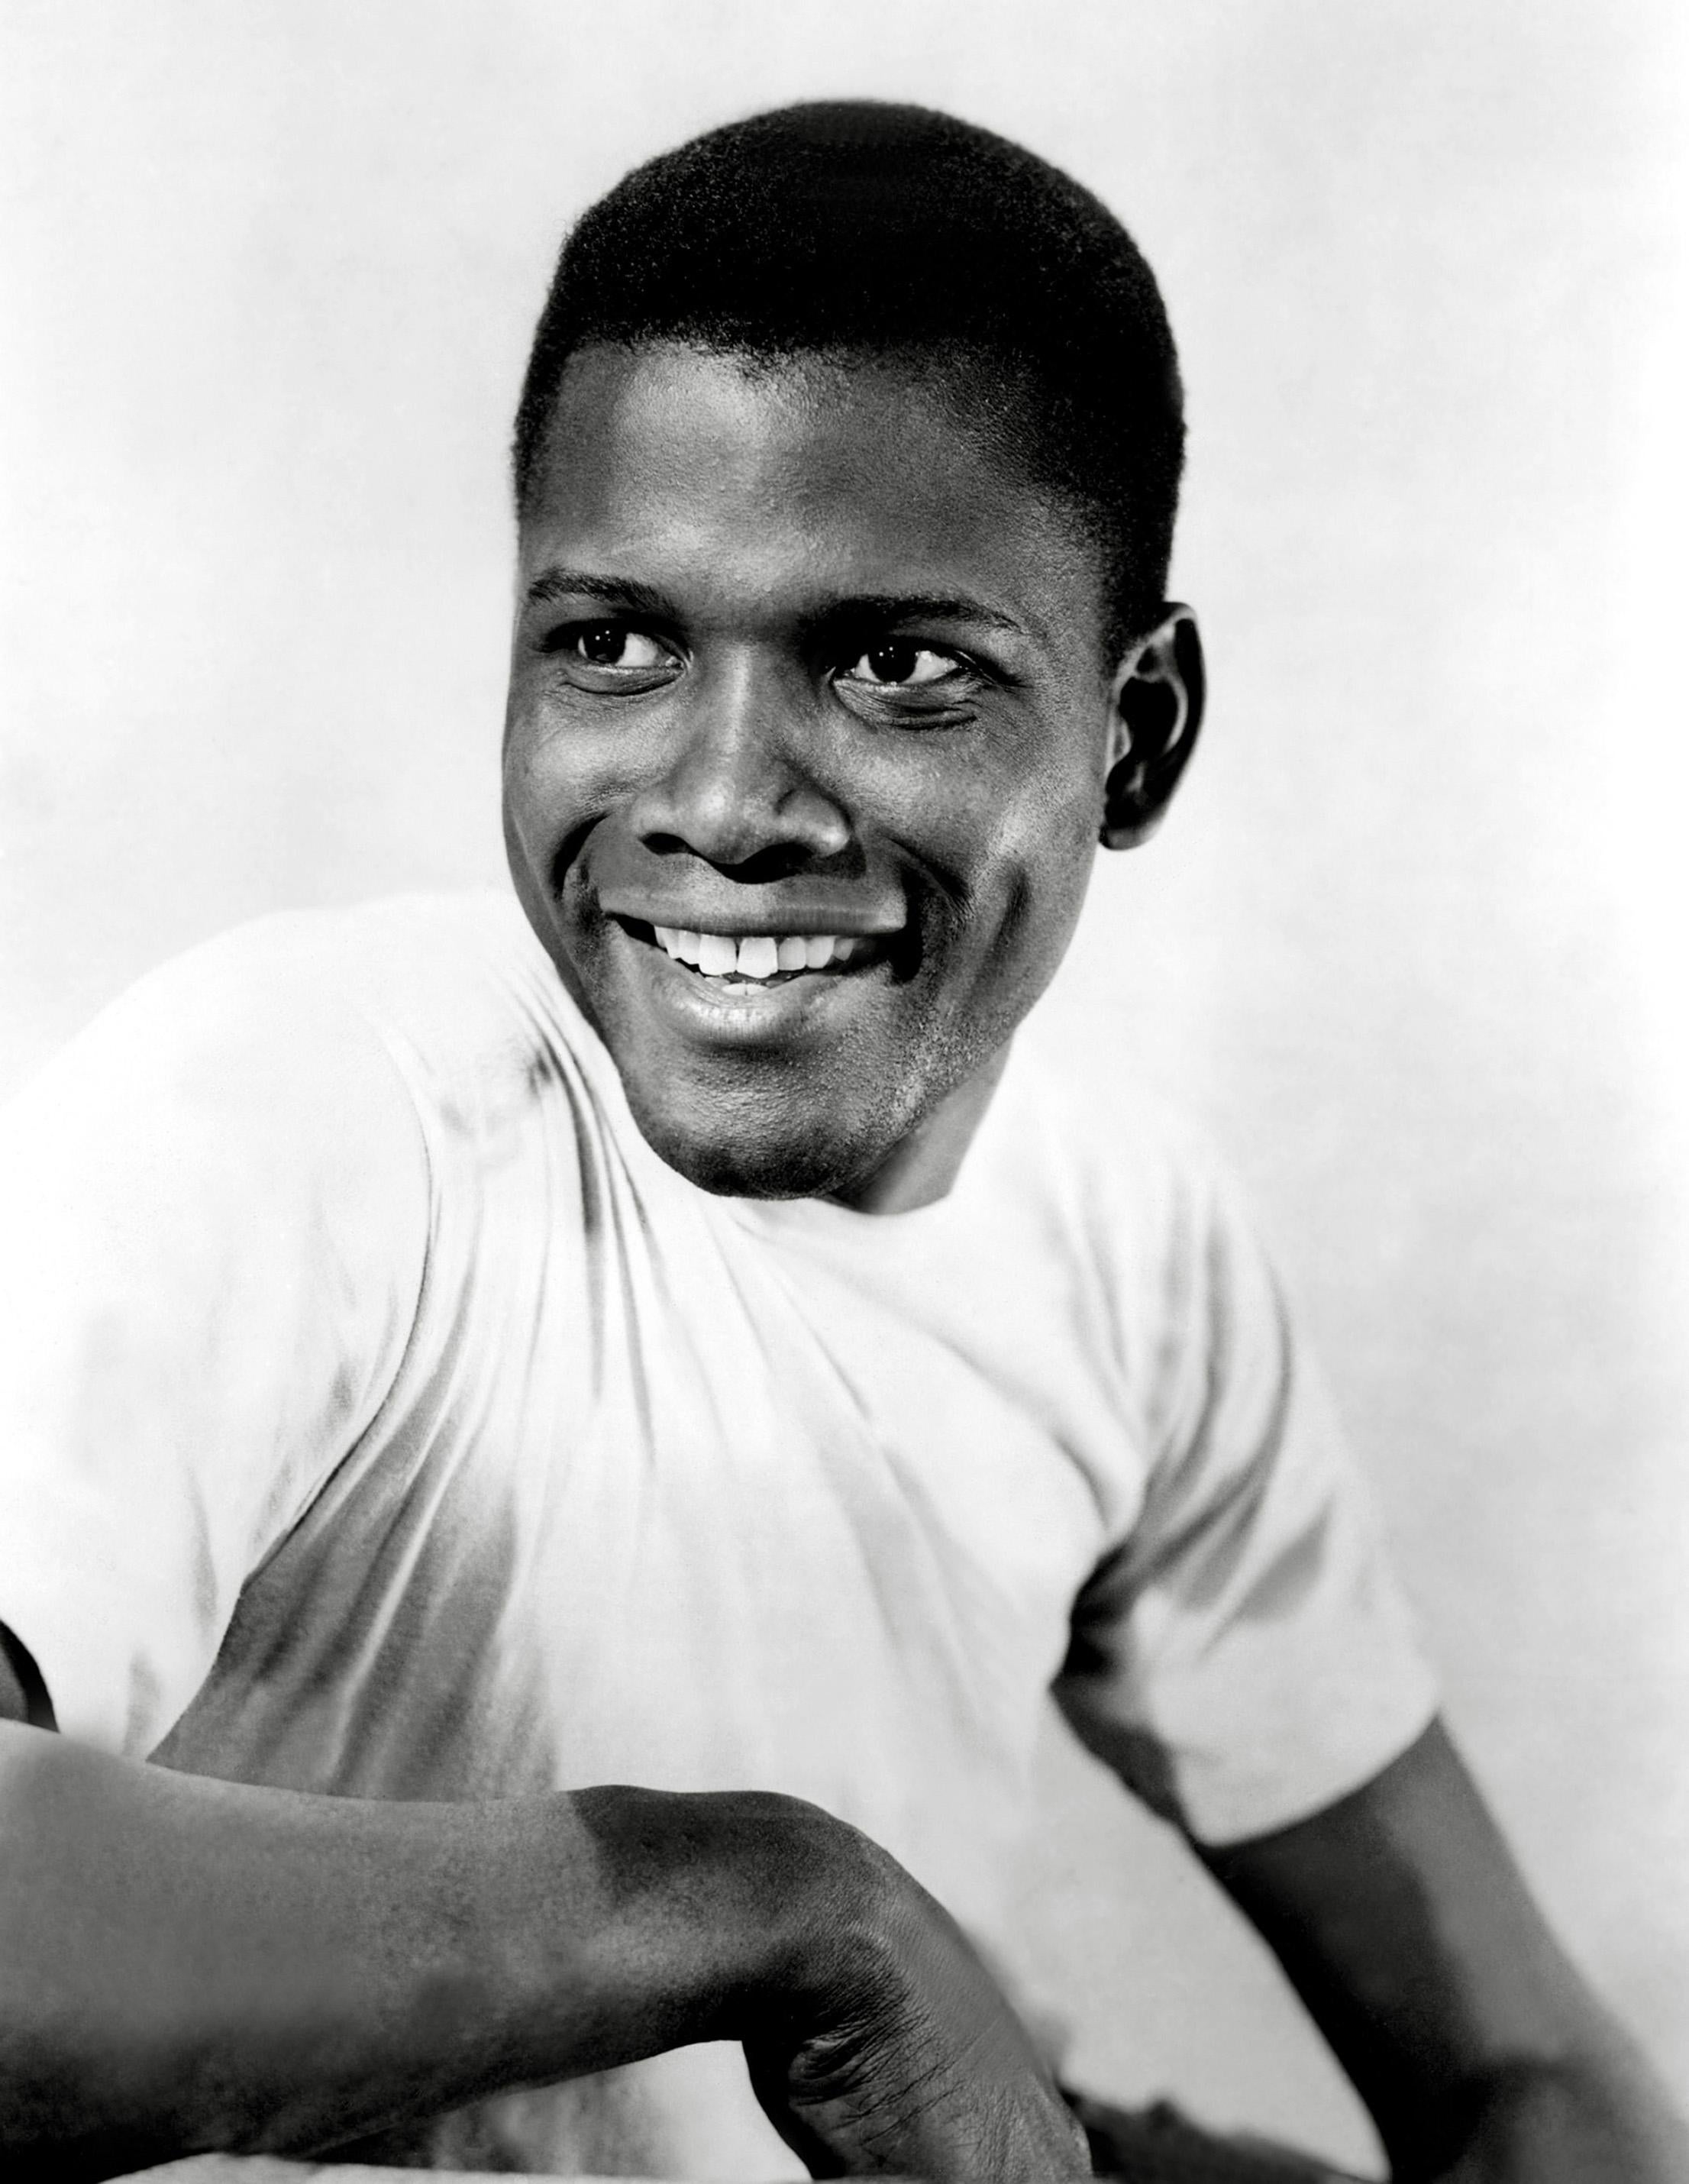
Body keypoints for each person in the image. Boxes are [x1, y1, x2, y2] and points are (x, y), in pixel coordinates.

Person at [0, 101, 1680, 2184]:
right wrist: (796, 1916)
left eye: (891, 665)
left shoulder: (1125, 1241)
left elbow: (1518, 2065)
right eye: (612, 642)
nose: (720, 800)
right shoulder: (305, 1098)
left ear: (1129, 736)